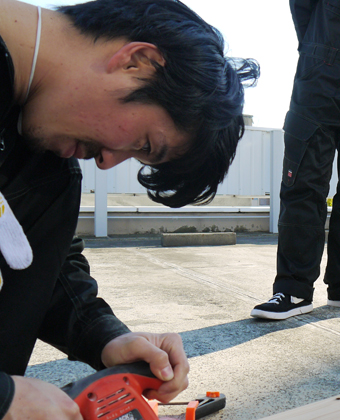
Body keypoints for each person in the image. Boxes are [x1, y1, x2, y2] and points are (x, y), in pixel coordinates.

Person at [0, 0, 259, 418]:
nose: (106, 162)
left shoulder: (43, 168)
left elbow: (41, 268)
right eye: (144, 143)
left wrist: (105, 337)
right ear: (137, 62)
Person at [251, 0, 340, 320]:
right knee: (303, 187)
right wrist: (321, 50)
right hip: (318, 82)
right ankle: (293, 289)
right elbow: (302, 10)